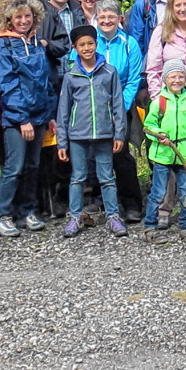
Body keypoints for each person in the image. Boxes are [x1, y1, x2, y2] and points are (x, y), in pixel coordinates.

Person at [0, 0, 56, 239]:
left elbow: (44, 82)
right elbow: (6, 85)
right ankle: (0, 216)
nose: (23, 21)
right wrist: (22, 119)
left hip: (39, 116)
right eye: (18, 17)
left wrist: (49, 113)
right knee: (13, 167)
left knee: (32, 166)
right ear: (9, 19)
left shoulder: (36, 44)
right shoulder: (2, 45)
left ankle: (26, 211)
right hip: (16, 119)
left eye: (27, 16)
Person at [56, 24, 128, 239]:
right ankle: (75, 216)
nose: (86, 48)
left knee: (107, 177)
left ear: (96, 44)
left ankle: (113, 216)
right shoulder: (71, 75)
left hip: (105, 134)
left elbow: (118, 104)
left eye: (90, 43)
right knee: (77, 177)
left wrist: (119, 134)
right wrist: (62, 141)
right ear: (74, 47)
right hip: (77, 135)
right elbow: (63, 109)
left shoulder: (109, 72)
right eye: (81, 45)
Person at [142, 59, 186, 244]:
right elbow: (149, 125)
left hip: (184, 155)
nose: (177, 80)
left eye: (181, 76)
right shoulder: (159, 102)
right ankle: (150, 227)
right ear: (165, 79)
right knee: (158, 192)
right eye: (173, 76)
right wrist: (159, 135)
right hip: (163, 155)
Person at [94, 0, 146, 222]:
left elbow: (134, 79)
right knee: (94, 155)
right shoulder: (88, 40)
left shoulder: (129, 43)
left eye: (111, 17)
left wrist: (120, 108)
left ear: (119, 19)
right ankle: (101, 203)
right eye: (102, 17)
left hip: (120, 107)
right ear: (96, 19)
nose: (106, 21)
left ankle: (132, 203)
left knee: (121, 154)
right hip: (93, 108)